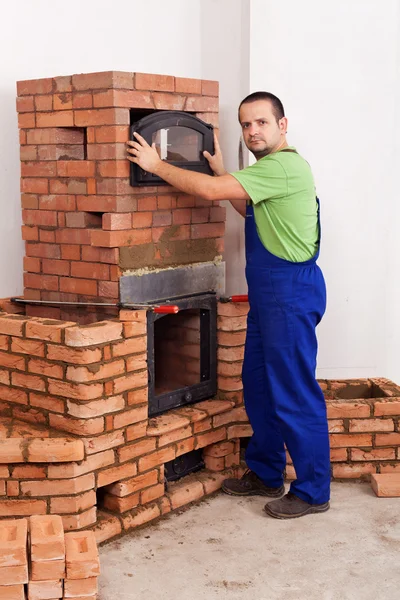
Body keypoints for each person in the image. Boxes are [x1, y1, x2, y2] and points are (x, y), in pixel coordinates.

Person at [127, 91, 330, 520]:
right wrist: (223, 169)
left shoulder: (283, 166)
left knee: (294, 391)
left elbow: (208, 191)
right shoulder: (266, 175)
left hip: (289, 293)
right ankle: (266, 471)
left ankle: (313, 491)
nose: (252, 131)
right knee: (257, 384)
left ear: (283, 125)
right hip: (271, 294)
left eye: (261, 122)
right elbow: (249, 209)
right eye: (246, 124)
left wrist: (156, 165)